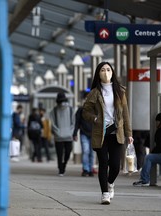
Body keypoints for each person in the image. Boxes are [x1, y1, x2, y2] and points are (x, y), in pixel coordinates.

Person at [82, 62, 133, 205]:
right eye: (103, 70)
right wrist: (95, 118)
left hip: (117, 131)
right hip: (101, 132)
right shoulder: (94, 92)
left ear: (112, 72)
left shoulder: (120, 91)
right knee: (103, 163)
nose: (106, 72)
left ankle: (110, 183)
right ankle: (105, 193)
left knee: (116, 166)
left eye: (108, 69)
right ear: (98, 73)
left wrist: (129, 133)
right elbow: (85, 111)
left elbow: (126, 114)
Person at [133, 110, 161, 187]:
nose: (156, 124)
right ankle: (146, 178)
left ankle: (145, 180)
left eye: (157, 122)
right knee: (150, 158)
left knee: (148, 158)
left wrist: (153, 152)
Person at [50, 92, 74, 176]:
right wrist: (58, 132)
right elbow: (53, 123)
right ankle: (61, 169)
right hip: (59, 136)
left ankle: (63, 165)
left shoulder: (70, 109)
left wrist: (70, 132)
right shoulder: (54, 110)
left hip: (67, 136)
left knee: (67, 152)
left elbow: (73, 122)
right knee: (60, 154)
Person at [73, 105, 94, 177]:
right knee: (86, 151)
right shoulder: (81, 110)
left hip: (94, 134)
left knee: (92, 152)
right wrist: (75, 133)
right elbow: (77, 122)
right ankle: (86, 169)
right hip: (84, 133)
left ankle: (91, 169)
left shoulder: (96, 108)